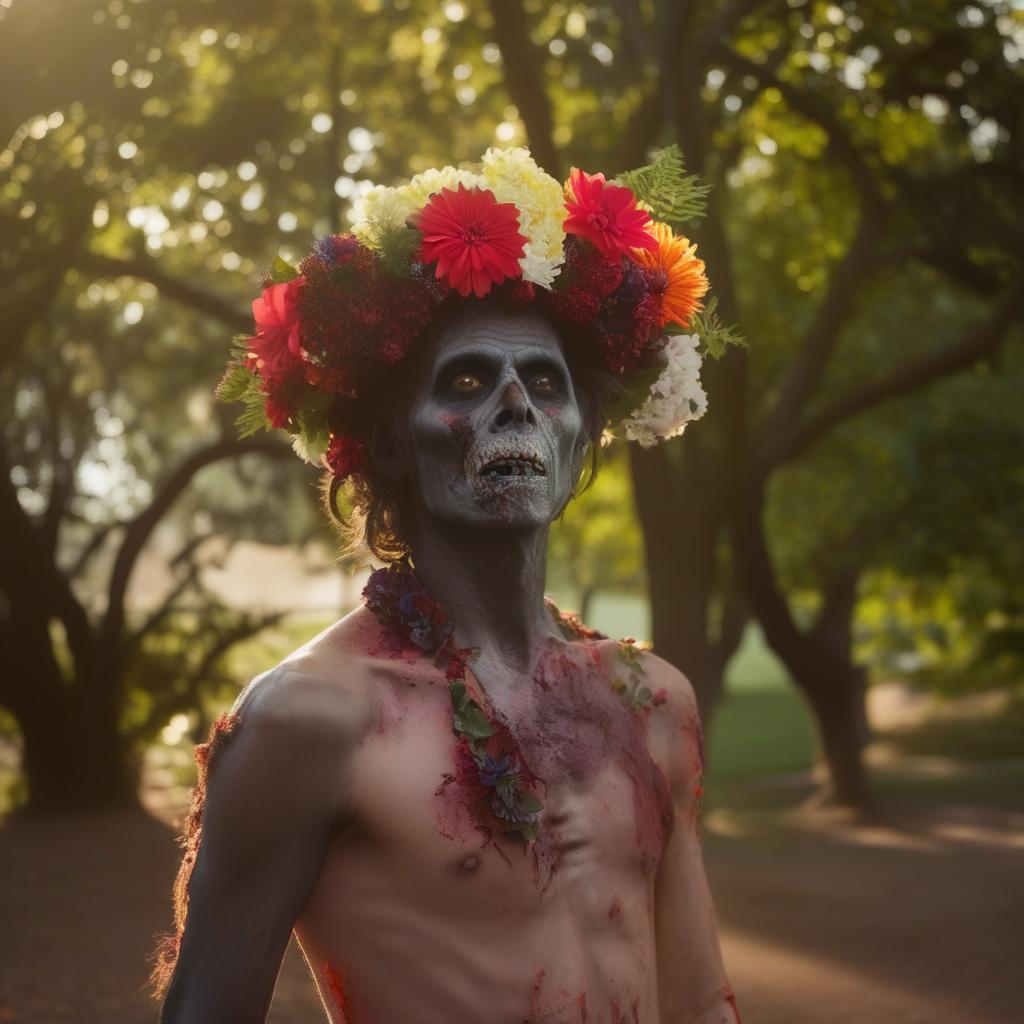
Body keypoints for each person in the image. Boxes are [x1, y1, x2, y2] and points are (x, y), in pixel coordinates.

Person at [152, 146, 742, 1024]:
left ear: (582, 436)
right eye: (467, 379)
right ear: (388, 442)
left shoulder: (652, 703)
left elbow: (700, 1006)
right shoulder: (310, 721)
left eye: (546, 383)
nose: (516, 404)